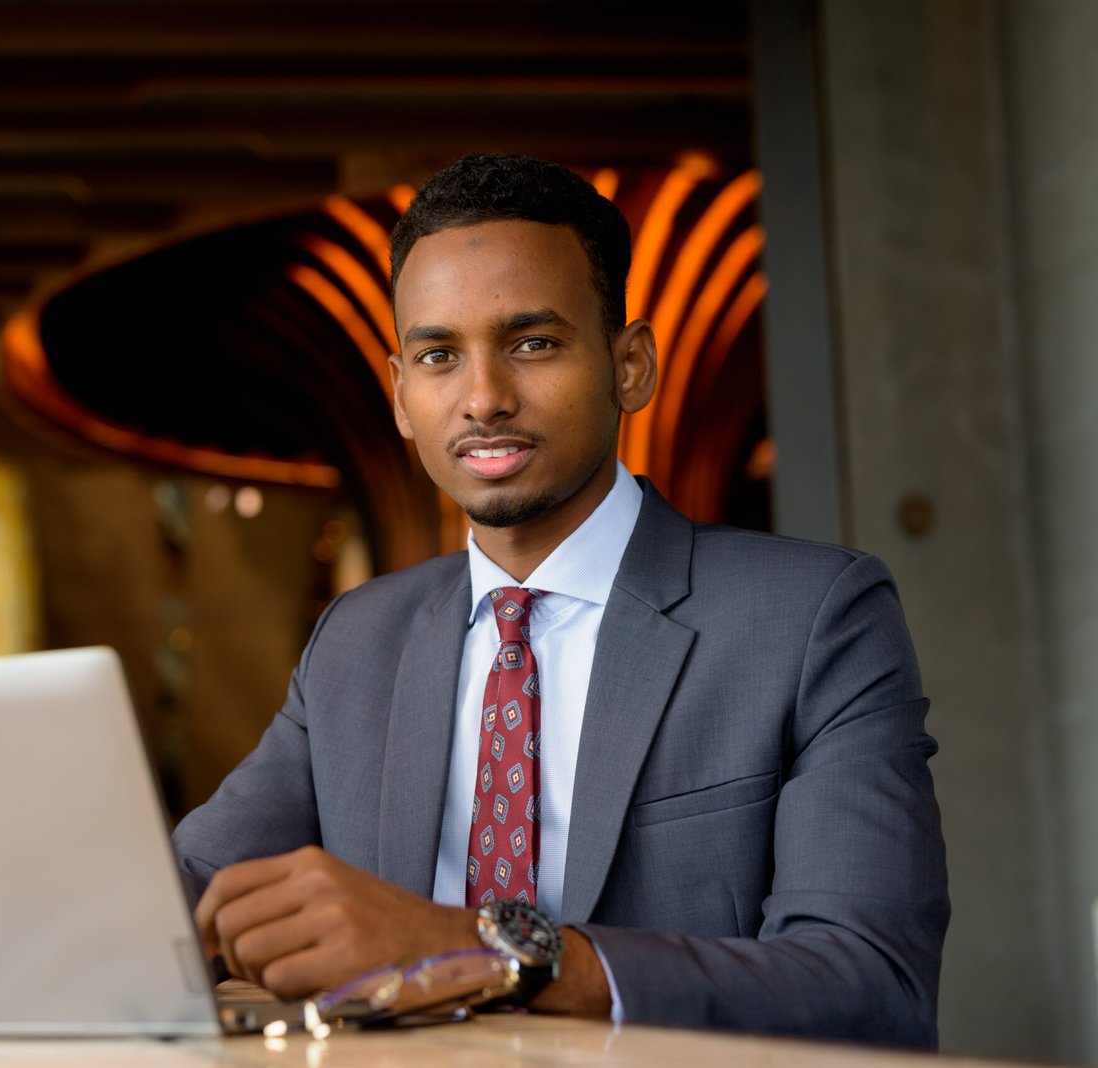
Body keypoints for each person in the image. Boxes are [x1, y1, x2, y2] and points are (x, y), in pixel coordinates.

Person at [170, 152, 948, 1049]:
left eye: (533, 343)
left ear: (630, 366)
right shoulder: (357, 640)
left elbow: (872, 984)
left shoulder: (813, 620)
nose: (484, 399)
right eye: (438, 356)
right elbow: (186, 893)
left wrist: (482, 950)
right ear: (400, 396)